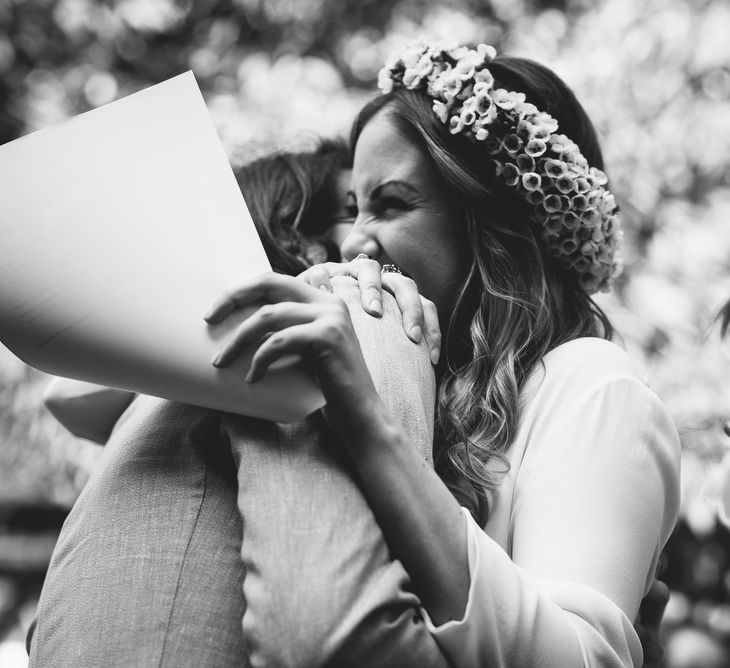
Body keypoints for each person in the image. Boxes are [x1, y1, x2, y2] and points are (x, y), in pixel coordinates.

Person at [205, 39, 681, 667]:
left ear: (493, 225)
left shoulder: (593, 384)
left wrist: (372, 429)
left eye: (392, 204)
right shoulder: (419, 382)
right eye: (354, 207)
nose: (352, 240)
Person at [28, 139, 448, 667]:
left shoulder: (169, 379)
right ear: (291, 225)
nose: (363, 239)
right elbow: (332, 632)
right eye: (349, 208)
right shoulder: (343, 321)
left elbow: (65, 392)